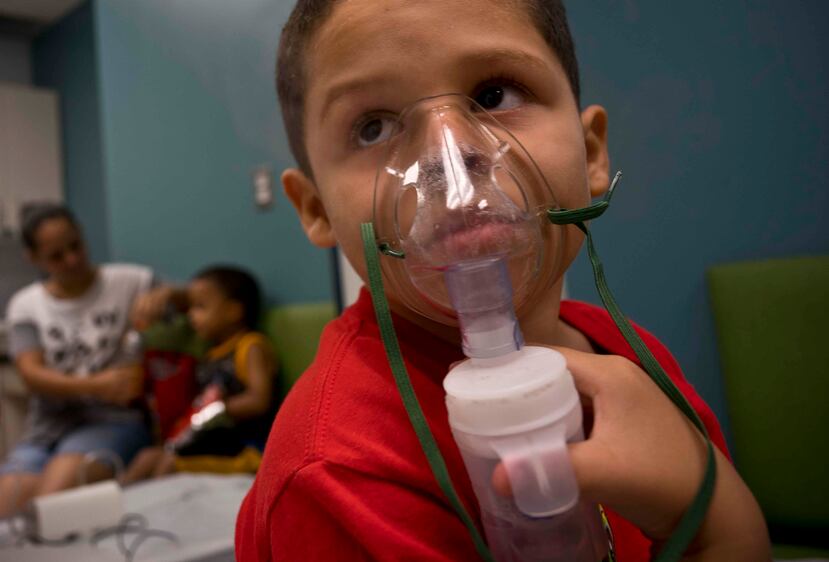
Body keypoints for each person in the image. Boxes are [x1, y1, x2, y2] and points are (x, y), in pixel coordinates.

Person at [236, 1, 770, 561]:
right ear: (316, 207)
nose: (451, 158)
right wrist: (718, 523)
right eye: (373, 127)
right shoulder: (342, 472)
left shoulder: (629, 358)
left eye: (494, 95)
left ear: (589, 152)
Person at [0, 205, 156, 517]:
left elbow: (197, 299)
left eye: (76, 246)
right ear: (34, 258)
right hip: (46, 429)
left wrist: (168, 297)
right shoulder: (26, 304)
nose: (72, 260)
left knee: (47, 508)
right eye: (57, 256)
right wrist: (97, 385)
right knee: (8, 507)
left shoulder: (131, 281)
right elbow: (31, 372)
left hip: (113, 420)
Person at [123, 265, 276, 483]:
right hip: (210, 443)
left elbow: (260, 400)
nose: (192, 316)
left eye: (200, 307)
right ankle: (114, 507)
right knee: (147, 458)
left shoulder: (250, 346)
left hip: (244, 450)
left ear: (234, 311)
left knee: (168, 465)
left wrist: (216, 410)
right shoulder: (210, 353)